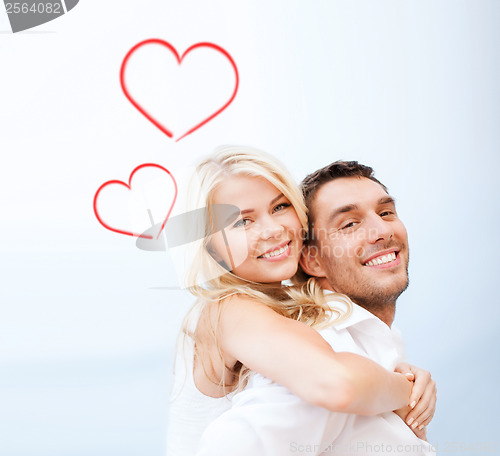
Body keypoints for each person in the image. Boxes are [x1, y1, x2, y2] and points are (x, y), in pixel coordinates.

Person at [166, 147, 435, 455]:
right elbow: (336, 383)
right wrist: (407, 389)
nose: (273, 230)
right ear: (211, 249)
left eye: (280, 207)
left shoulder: (295, 312)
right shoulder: (227, 309)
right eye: (242, 222)